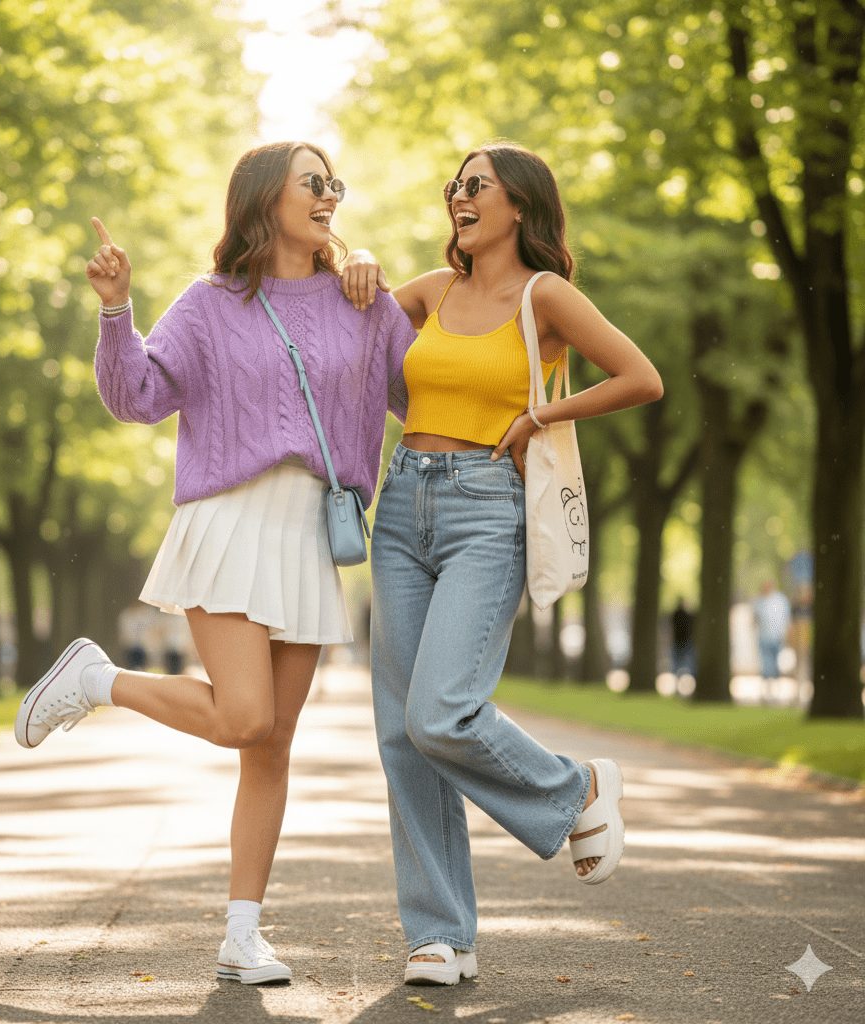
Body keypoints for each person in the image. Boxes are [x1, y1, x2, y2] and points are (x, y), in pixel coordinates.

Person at [14, 141, 416, 985]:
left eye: (335, 184)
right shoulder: (209, 303)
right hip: (229, 523)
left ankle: (243, 936)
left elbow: (423, 390)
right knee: (244, 719)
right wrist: (117, 310)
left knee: (271, 747)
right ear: (266, 198)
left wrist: (392, 280)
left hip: (314, 535)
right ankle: (95, 681)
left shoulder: (365, 301)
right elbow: (137, 399)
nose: (329, 197)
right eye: (314, 183)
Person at [342, 143, 664, 986]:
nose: (460, 195)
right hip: (403, 501)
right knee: (401, 733)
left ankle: (577, 788)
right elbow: (354, 313)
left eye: (476, 184)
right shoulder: (436, 290)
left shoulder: (543, 295)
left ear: (518, 204)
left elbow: (641, 377)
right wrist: (364, 259)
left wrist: (544, 414)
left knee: (441, 710)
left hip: (490, 507)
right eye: (455, 184)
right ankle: (439, 936)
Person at [753, 580, 791, 700]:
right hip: (764, 637)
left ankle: (774, 690)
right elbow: (755, 618)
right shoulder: (759, 601)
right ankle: (767, 690)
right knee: (766, 664)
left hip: (777, 637)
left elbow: (786, 619)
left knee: (774, 663)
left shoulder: (780, 600)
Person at [670, 599, 696, 678]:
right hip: (684, 641)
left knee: (678, 662)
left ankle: (678, 677)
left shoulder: (676, 614)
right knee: (687, 662)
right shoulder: (686, 615)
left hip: (679, 640)